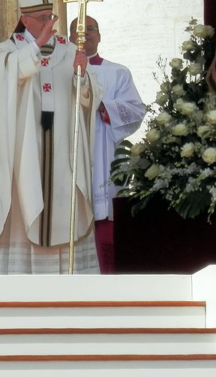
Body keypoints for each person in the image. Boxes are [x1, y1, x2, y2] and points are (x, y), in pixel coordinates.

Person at [0, 0, 102, 274]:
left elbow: (89, 97)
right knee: (26, 199)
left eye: (49, 16)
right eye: (40, 18)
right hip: (27, 151)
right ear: (25, 19)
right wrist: (36, 46)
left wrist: (82, 75)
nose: (48, 23)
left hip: (63, 148)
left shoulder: (69, 49)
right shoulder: (8, 50)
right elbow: (8, 76)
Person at [69, 16, 145, 273]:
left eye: (90, 29)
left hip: (105, 154)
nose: (85, 35)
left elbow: (136, 110)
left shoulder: (118, 73)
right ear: (70, 38)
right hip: (71, 155)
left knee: (106, 221)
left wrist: (104, 107)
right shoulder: (58, 74)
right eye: (79, 31)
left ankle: (109, 278)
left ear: (99, 36)